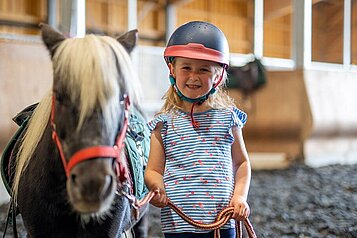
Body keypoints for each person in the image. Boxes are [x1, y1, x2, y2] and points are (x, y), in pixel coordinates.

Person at [144, 21, 252, 238]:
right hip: (178, 225)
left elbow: (241, 163)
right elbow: (153, 170)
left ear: (219, 76)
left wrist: (239, 197)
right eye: (186, 68)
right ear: (173, 69)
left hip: (221, 225)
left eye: (204, 69)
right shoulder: (163, 124)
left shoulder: (228, 119)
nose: (194, 76)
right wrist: (157, 187)